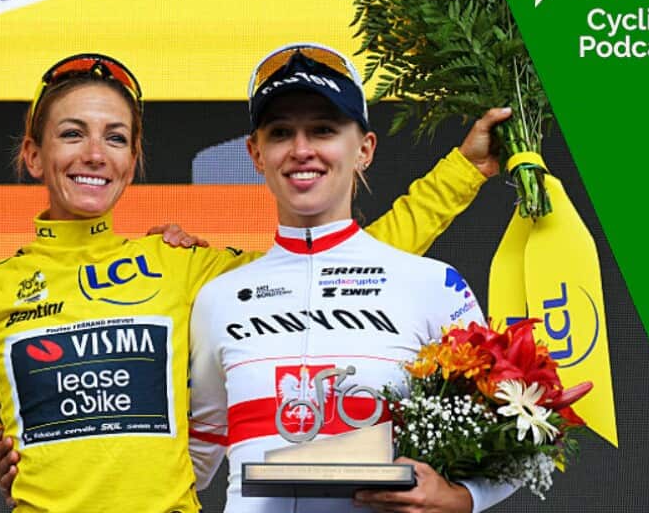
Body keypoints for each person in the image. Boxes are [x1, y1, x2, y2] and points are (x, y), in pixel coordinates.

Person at [0, 53, 507, 513]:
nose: (94, 154)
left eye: (115, 137)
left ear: (133, 160)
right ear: (34, 155)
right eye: (71, 133)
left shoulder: (179, 264)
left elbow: (346, 265)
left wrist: (461, 171)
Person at [187, 43, 515, 513]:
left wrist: (463, 498)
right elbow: (192, 461)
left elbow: (519, 432)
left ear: (364, 149)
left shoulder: (432, 284)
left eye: (323, 130)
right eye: (281, 133)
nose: (301, 150)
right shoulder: (218, 298)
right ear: (256, 154)